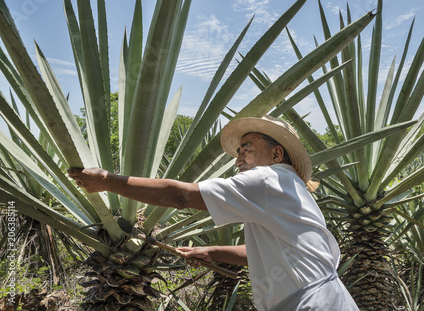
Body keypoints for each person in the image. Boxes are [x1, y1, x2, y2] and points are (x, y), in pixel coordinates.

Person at [68, 115, 358, 310]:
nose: (239, 160)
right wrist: (212, 252)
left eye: (247, 149)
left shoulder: (268, 180)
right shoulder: (286, 187)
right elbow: (263, 251)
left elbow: (181, 196)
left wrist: (107, 182)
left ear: (276, 154)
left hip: (314, 303)